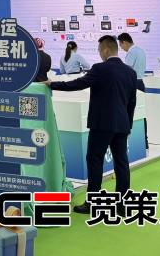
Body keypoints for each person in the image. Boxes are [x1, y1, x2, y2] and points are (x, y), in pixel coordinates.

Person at [45, 35, 137, 214]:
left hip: (101, 124)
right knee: (121, 163)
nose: (99, 54)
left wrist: (53, 85)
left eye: (99, 50)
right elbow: (132, 102)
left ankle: (92, 203)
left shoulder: (100, 69)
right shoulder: (130, 72)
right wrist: (128, 125)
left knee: (95, 161)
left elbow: (78, 84)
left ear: (105, 50)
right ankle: (122, 204)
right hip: (122, 125)